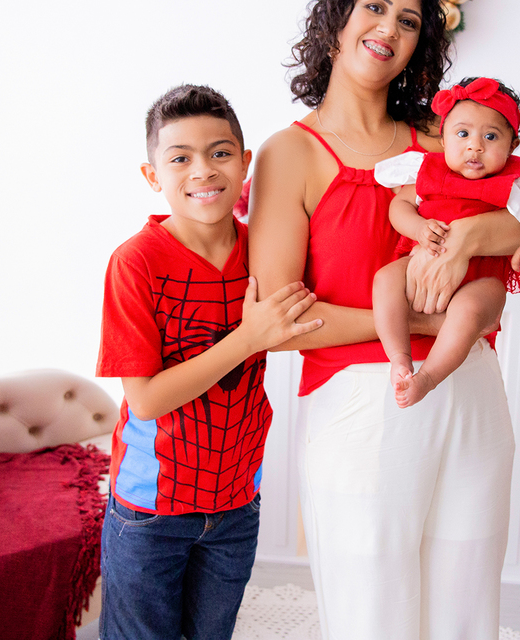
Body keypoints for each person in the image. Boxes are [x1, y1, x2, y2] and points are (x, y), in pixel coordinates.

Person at [249, 0, 520, 639]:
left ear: (419, 45)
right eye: (374, 7)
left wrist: (467, 241)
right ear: (337, 18)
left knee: (465, 609)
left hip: (472, 393)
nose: (388, 29)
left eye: (408, 21)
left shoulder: (445, 137)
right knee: (375, 612)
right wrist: (413, 323)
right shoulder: (291, 153)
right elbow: (280, 321)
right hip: (364, 406)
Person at [96, 84, 320, 640]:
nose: (203, 170)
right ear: (154, 177)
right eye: (180, 158)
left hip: (237, 500)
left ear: (246, 164)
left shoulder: (265, 252)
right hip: (151, 509)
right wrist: (248, 338)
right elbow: (145, 399)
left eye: (220, 153)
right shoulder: (135, 263)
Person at [373, 76, 520, 408]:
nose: (475, 146)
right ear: (443, 138)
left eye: (491, 136)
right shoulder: (429, 171)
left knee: (469, 311)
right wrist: (418, 227)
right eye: (463, 134)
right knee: (384, 279)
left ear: (513, 144)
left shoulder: (518, 178)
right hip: (424, 258)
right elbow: (399, 205)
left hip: (484, 277)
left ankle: (428, 378)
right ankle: (399, 358)